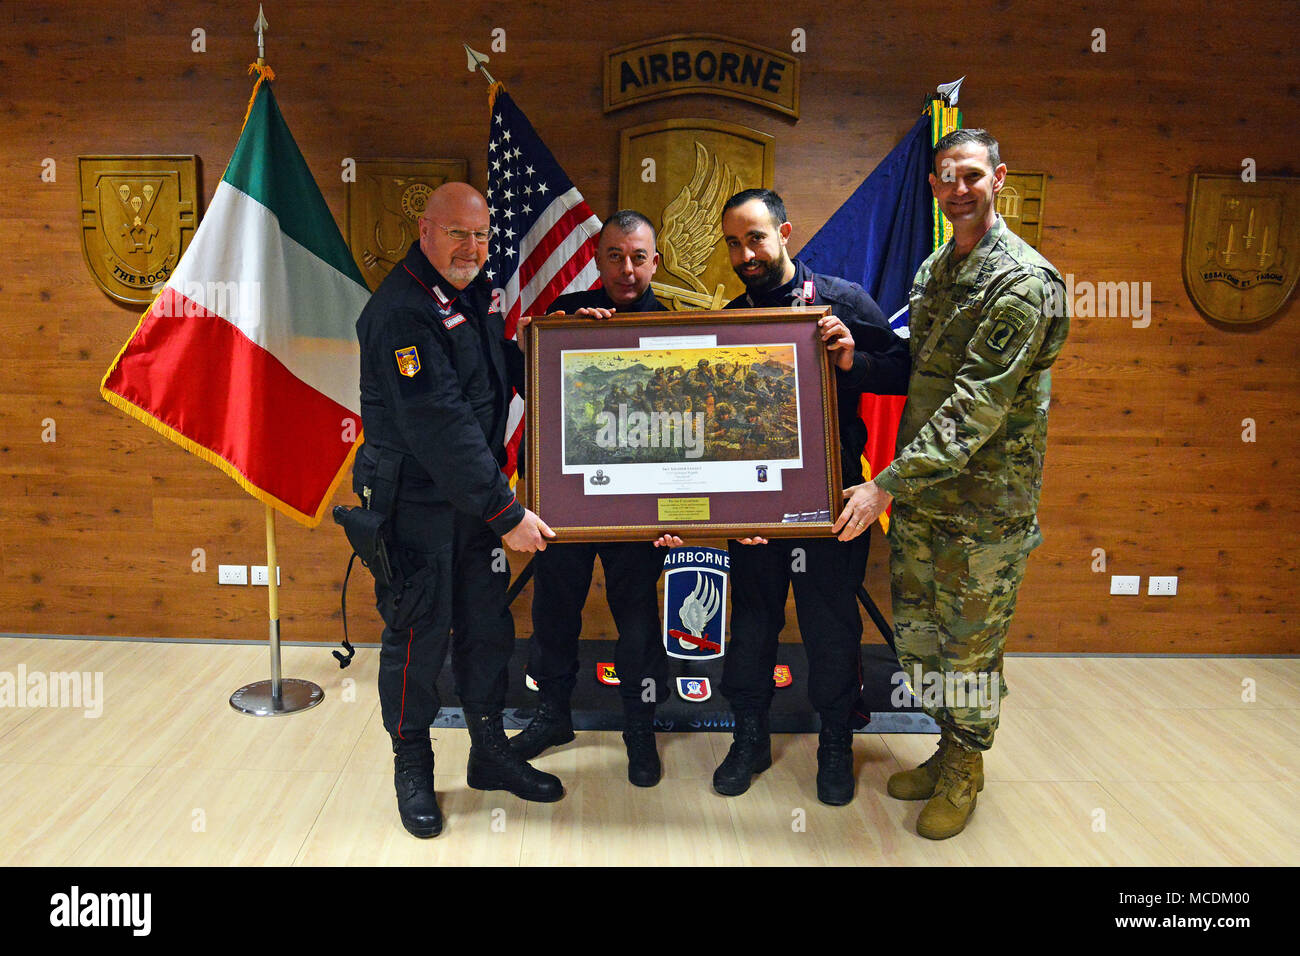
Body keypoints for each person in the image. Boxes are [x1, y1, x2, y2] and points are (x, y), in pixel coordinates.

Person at [833, 129, 1070, 839]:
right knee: (921, 641)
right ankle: (946, 748)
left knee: (969, 647)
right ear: (935, 188)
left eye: (973, 174)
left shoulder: (1023, 283)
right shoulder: (938, 269)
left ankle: (967, 766)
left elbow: (973, 410)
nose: (959, 187)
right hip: (926, 499)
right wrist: (856, 356)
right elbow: (920, 366)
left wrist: (883, 485)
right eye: (946, 177)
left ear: (999, 179)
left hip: (984, 509)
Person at [352, 182, 561, 839]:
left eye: (480, 235)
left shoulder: (462, 292)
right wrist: (505, 510)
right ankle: (412, 765)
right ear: (425, 229)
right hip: (416, 506)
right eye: (457, 233)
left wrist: (557, 348)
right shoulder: (401, 313)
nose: (472, 248)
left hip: (471, 502)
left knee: (485, 626)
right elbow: (438, 421)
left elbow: (489, 373)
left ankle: (489, 750)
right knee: (417, 637)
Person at [711, 188, 910, 806]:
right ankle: (747, 736)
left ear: (785, 233)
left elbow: (903, 365)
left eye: (756, 238)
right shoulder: (730, 313)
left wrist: (854, 360)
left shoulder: (841, 299)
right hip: (751, 501)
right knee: (752, 622)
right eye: (734, 243)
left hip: (831, 498)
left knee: (831, 626)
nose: (746, 253)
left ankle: (834, 742)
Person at [508, 210, 678, 787]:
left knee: (636, 619)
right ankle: (552, 715)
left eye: (638, 257)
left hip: (637, 510)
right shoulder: (563, 316)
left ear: (655, 261)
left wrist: (682, 507)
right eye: (614, 256)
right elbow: (522, 376)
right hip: (567, 502)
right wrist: (559, 332)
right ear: (598, 258)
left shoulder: (675, 329)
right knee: (555, 613)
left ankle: (639, 727)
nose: (626, 269)